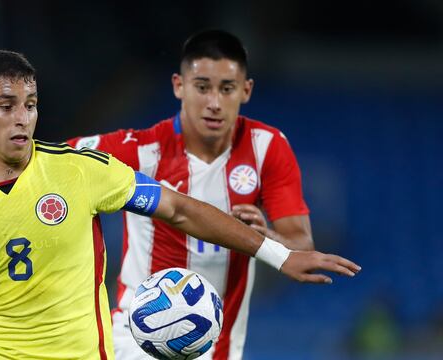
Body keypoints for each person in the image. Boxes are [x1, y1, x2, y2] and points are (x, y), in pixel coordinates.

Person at [0, 49, 360, 360]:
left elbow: (179, 209)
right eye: (6, 105)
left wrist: (279, 254)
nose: (23, 118)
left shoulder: (80, 170)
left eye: (31, 104)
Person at [66, 30, 315, 359]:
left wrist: (265, 235)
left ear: (246, 90)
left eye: (226, 89)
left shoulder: (267, 148)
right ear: (178, 86)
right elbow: (47, 164)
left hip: (221, 348)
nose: (214, 102)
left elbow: (301, 248)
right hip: (137, 341)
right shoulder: (141, 150)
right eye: (202, 87)